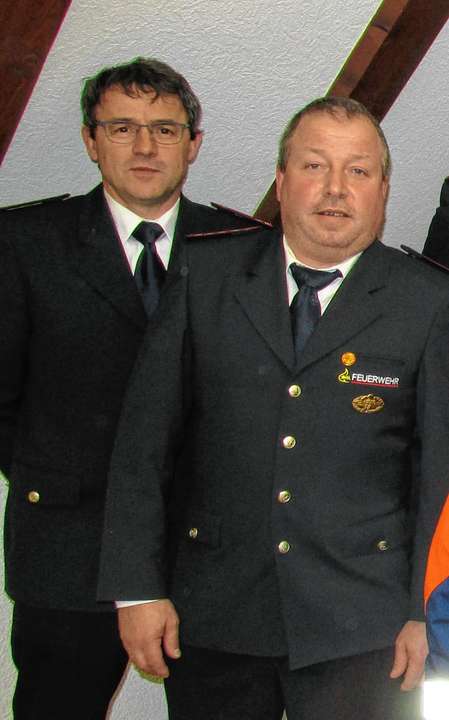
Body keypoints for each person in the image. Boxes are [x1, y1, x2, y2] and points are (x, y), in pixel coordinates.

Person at [98, 97, 449, 720]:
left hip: (362, 623)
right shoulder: (207, 275)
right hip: (215, 611)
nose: (336, 188)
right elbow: (144, 441)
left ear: (383, 190)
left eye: (358, 171)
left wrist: (424, 614)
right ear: (282, 181)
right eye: (314, 166)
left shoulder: (427, 300)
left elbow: (438, 471)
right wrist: (136, 590)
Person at [0, 56, 260, 719]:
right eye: (122, 128)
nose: (145, 147)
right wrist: (57, 476)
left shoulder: (244, 249)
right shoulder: (24, 245)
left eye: (164, 130)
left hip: (208, 559)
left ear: (192, 144)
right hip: (69, 552)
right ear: (91, 140)